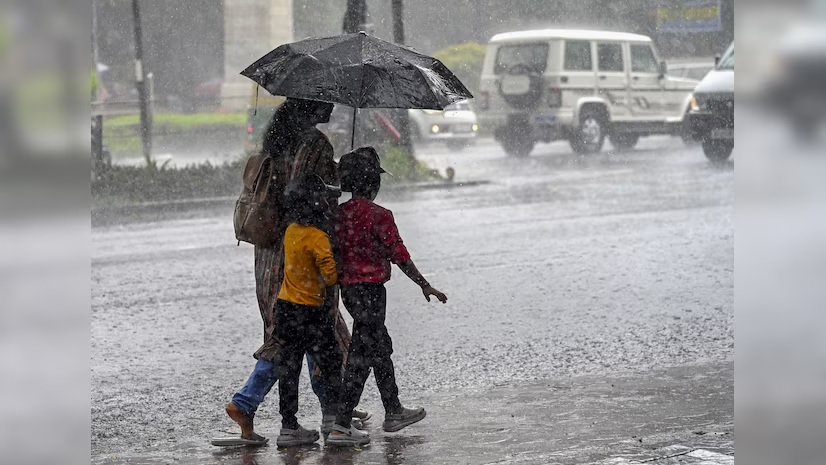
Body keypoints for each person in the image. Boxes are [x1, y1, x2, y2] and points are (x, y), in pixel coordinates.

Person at [224, 99, 369, 444]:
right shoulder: (316, 144)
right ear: (311, 105)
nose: (332, 104)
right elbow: (315, 198)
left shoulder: (276, 141)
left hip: (272, 251)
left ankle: (333, 409)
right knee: (306, 335)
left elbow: (289, 189)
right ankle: (249, 402)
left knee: (306, 331)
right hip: (305, 253)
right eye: (325, 99)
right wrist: (342, 178)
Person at [327, 147, 448, 446]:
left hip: (349, 293)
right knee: (361, 355)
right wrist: (424, 284)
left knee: (379, 346)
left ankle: (393, 410)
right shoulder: (381, 216)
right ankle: (341, 425)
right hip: (372, 293)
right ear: (373, 184)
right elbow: (399, 254)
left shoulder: (336, 216)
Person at [273, 174, 349, 447]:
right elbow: (330, 276)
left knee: (289, 369)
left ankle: (288, 426)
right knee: (329, 363)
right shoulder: (318, 237)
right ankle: (331, 418)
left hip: (286, 310)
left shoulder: (290, 231)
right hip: (312, 313)